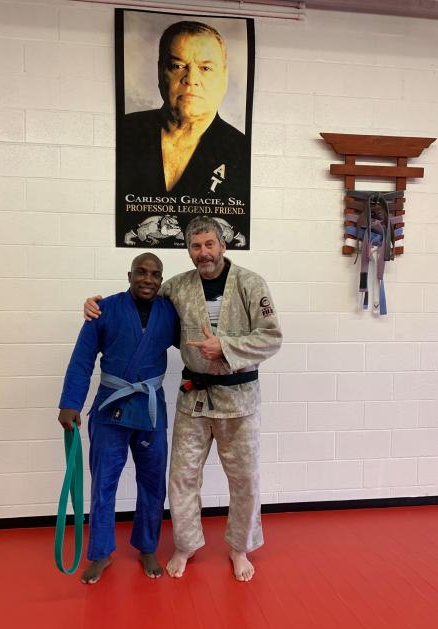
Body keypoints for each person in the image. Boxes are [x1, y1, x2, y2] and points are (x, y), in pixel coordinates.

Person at [84, 217, 282, 582]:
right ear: (189, 250)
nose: (203, 253)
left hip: (240, 398)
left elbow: (272, 337)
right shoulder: (176, 287)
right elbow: (140, 300)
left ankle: (239, 548)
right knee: (181, 477)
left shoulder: (251, 284)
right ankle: (186, 544)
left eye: (209, 244)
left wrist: (225, 346)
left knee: (245, 478)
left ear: (223, 245)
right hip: (195, 399)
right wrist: (99, 307)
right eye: (196, 246)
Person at [59, 253, 179, 583]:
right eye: (141, 272)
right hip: (110, 409)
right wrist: (70, 403)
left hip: (150, 409)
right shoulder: (104, 309)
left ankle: (147, 546)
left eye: (155, 274)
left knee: (153, 483)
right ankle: (100, 553)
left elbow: (194, 343)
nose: (148, 279)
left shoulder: (170, 313)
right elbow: (82, 359)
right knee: (103, 483)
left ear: (161, 280)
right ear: (129, 275)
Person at [118, 21, 249, 244]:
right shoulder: (125, 131)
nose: (191, 79)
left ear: (224, 77)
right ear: (160, 72)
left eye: (205, 68)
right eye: (178, 66)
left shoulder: (241, 151)